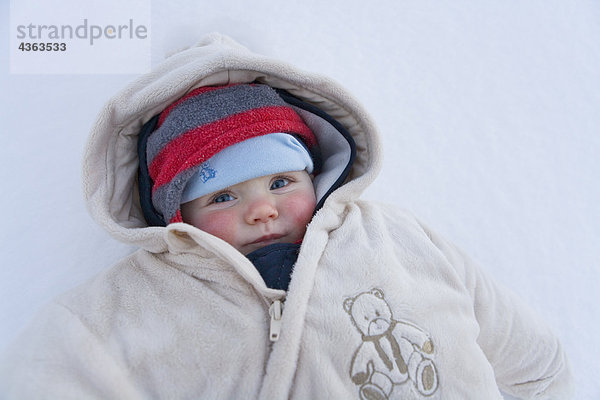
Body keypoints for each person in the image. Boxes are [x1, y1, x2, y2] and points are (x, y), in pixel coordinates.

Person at [0, 33, 573, 400]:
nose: (263, 209)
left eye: (281, 182)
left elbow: (535, 364)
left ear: (314, 175)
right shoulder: (137, 305)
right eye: (222, 197)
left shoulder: (395, 241)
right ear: (178, 215)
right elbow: (48, 371)